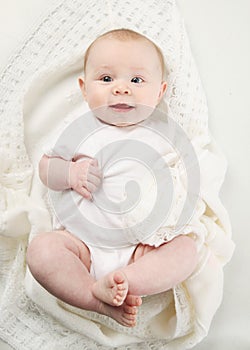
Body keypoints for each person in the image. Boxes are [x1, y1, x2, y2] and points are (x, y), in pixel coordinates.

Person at [26, 29, 198, 328]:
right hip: (81, 244)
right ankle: (95, 298)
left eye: (136, 80)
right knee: (41, 252)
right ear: (84, 88)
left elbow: (182, 183)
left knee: (187, 251)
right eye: (106, 79)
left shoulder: (163, 135)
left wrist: (162, 228)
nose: (121, 89)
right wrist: (69, 172)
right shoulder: (79, 131)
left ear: (159, 92)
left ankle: (126, 281)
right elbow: (45, 169)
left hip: (141, 248)